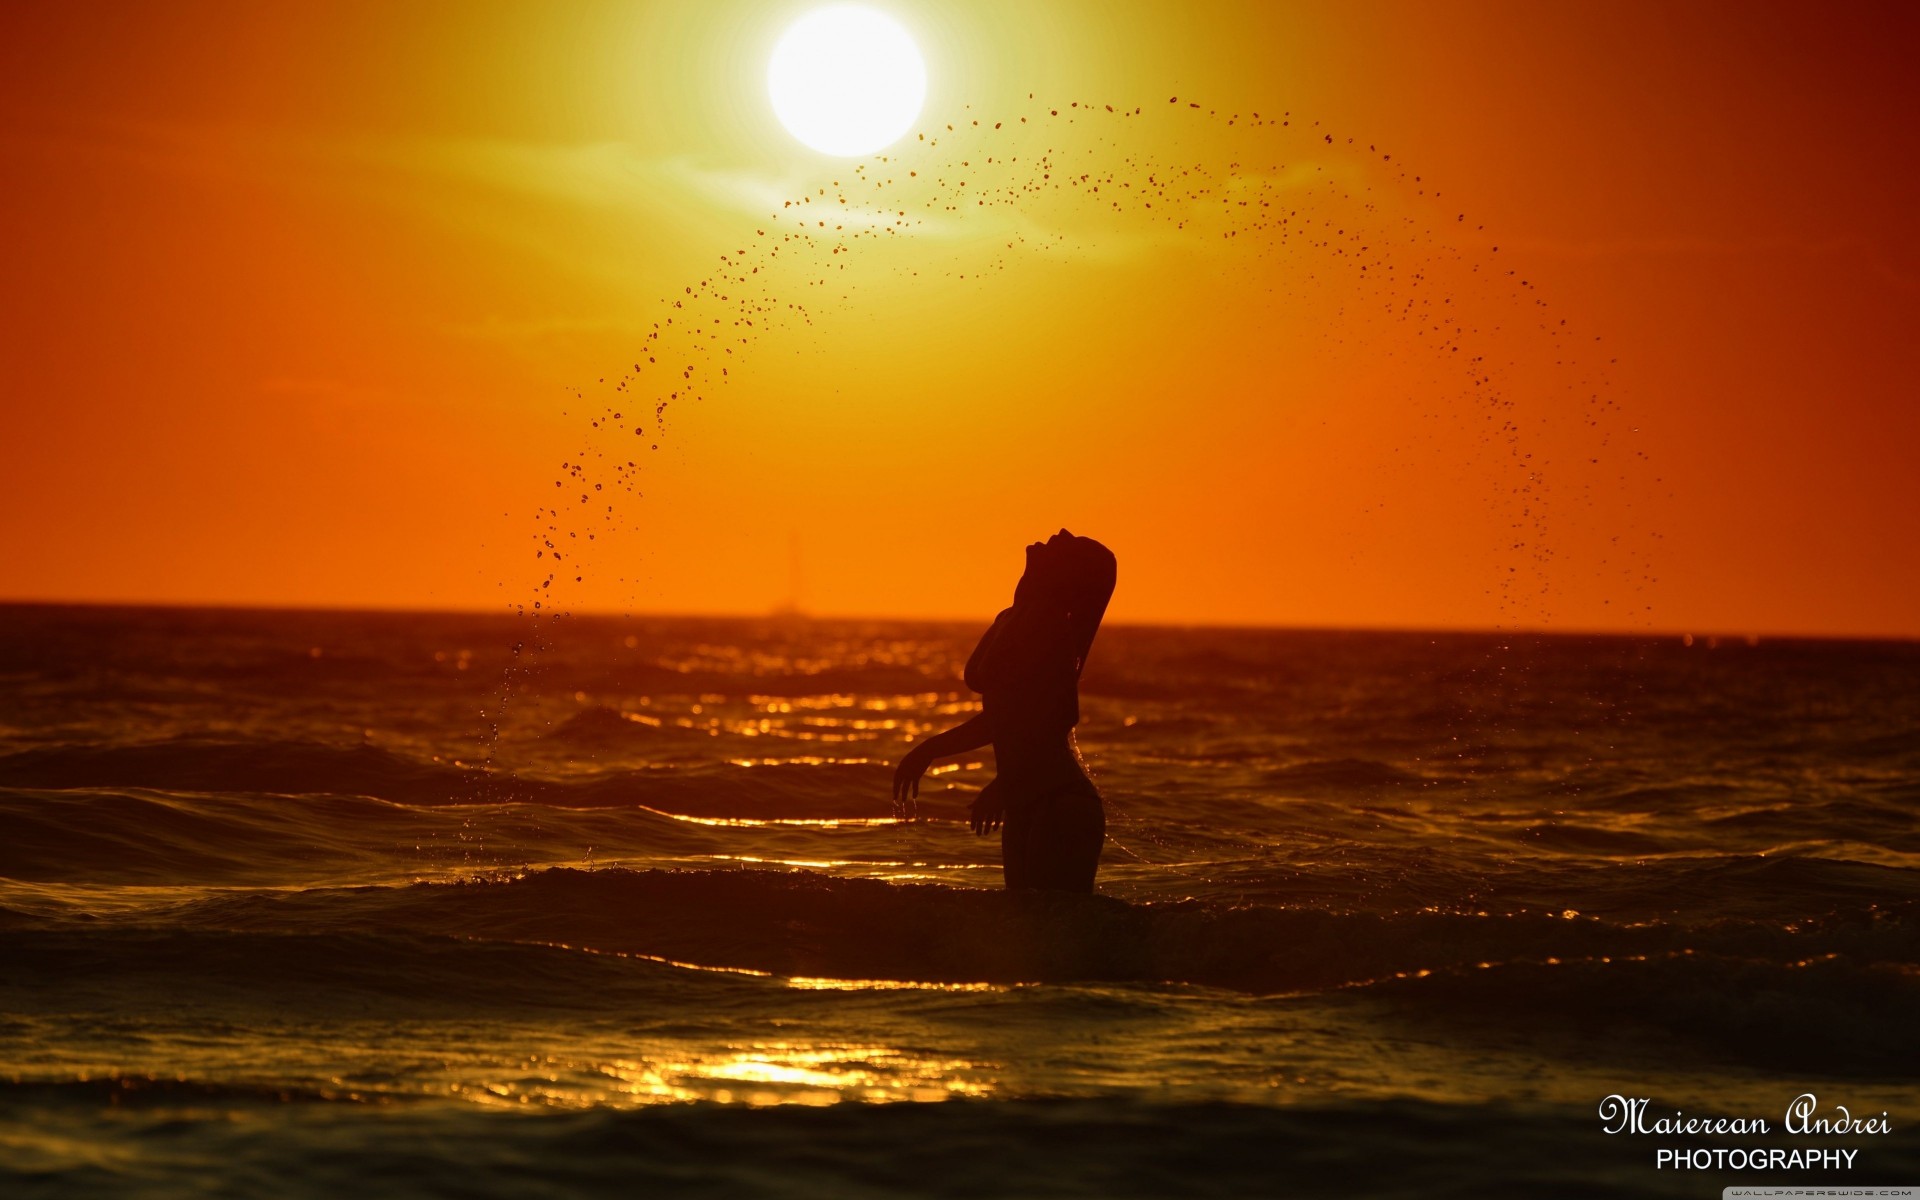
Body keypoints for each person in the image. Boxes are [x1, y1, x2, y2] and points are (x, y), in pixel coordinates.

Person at [892, 530, 1117, 892]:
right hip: (1029, 796)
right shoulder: (1015, 617)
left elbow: (1052, 717)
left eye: (1067, 543)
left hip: (1058, 802)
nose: (1057, 533)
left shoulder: (1049, 625)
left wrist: (997, 781)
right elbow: (1009, 715)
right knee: (1027, 925)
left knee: (1051, 928)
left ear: (1065, 574)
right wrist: (935, 751)